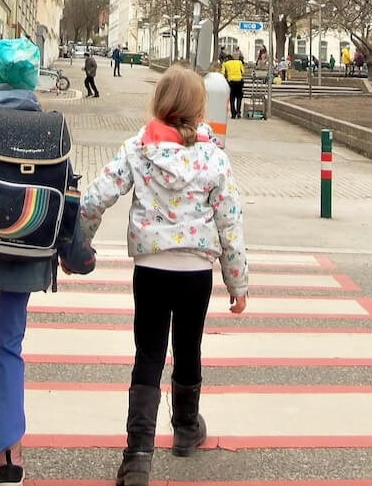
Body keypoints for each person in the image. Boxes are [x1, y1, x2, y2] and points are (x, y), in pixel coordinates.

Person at [77, 65, 249, 486]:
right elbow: (230, 223)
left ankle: (137, 457)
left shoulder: (139, 148)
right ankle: (187, 430)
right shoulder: (214, 157)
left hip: (151, 270)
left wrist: (80, 243)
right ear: (198, 108)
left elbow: (96, 197)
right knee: (188, 349)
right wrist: (237, 282)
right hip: (195, 272)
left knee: (148, 355)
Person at [0, 39, 96, 486]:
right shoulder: (51, 127)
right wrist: (75, 254)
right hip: (29, 253)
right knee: (10, 342)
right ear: (33, 79)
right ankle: (8, 455)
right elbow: (69, 197)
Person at [221, 50, 245, 119]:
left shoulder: (225, 64)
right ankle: (238, 112)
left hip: (231, 82)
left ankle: (233, 114)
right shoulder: (239, 62)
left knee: (232, 98)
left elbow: (222, 73)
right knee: (239, 98)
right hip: (239, 81)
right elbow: (243, 72)